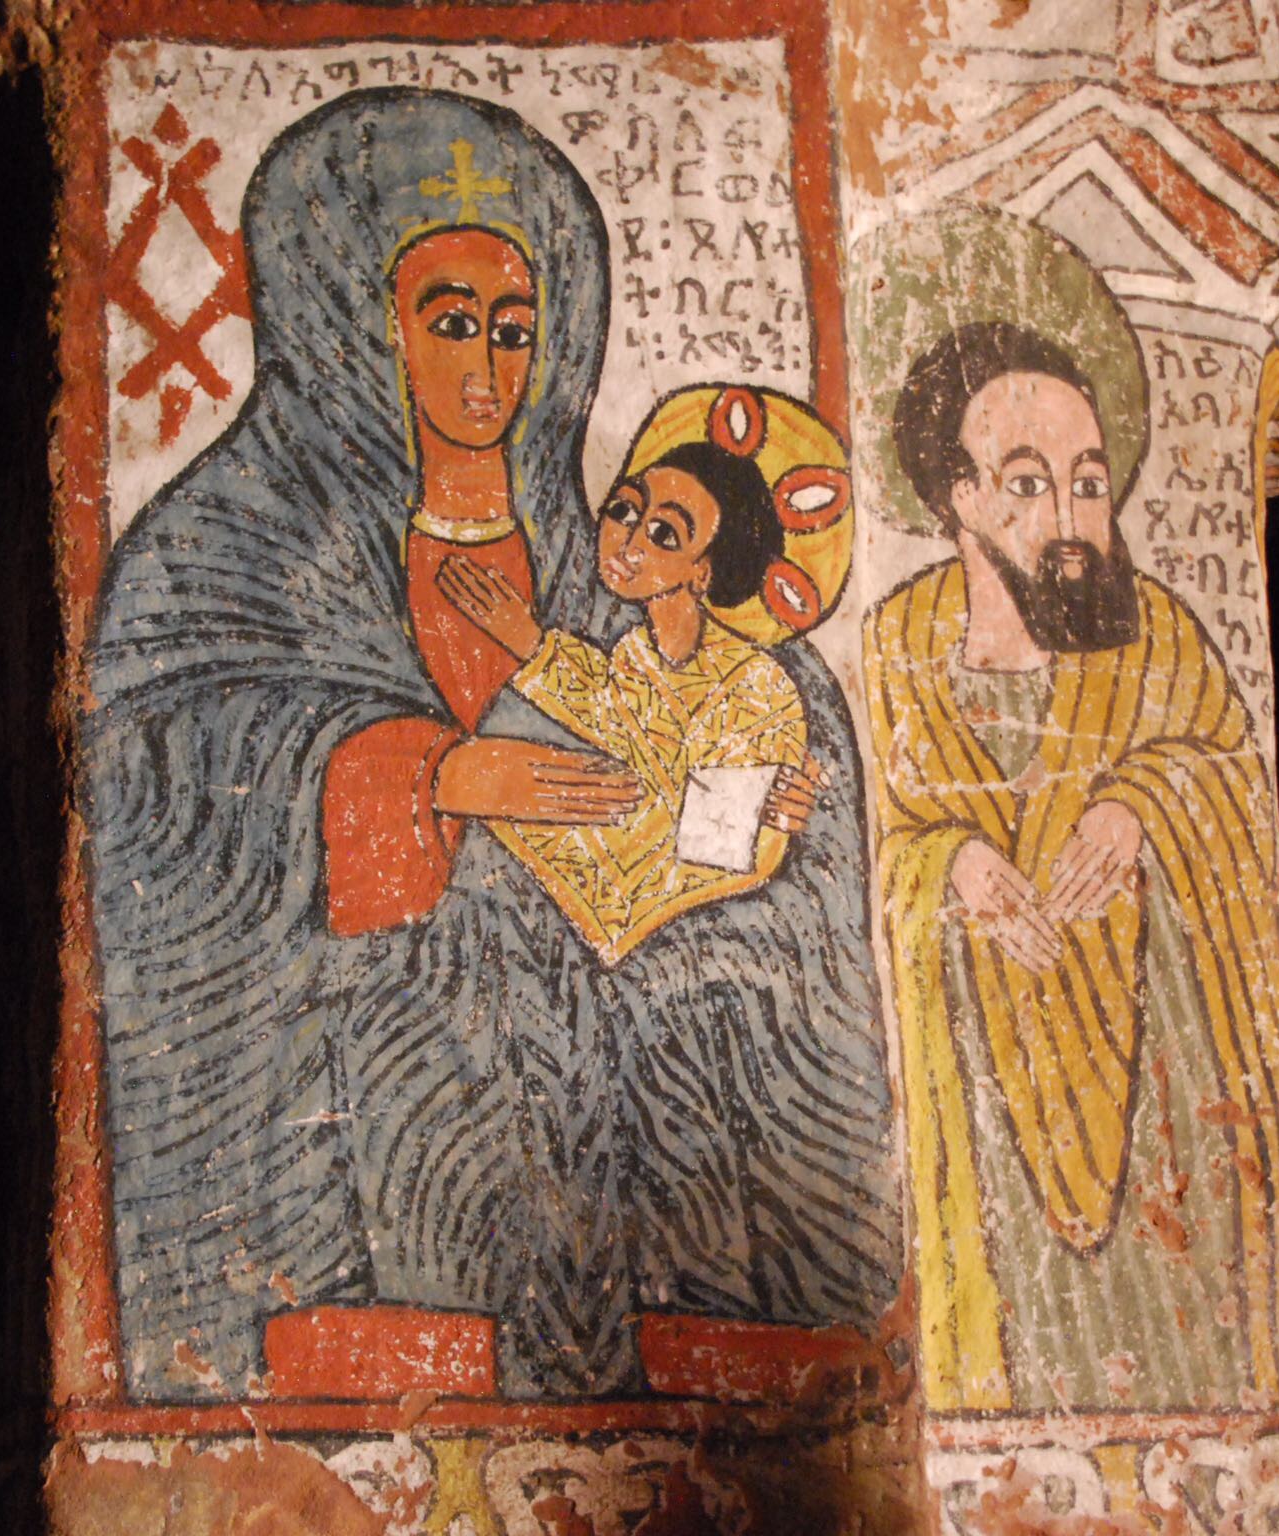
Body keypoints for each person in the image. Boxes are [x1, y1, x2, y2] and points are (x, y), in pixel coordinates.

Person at [85, 90, 898, 1399]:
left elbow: (724, 748)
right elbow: (151, 769)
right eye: (449, 321)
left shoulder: (613, 567)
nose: (487, 369)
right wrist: (426, 778)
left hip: (625, 1051)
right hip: (364, 1083)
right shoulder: (224, 546)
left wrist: (762, 810)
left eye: (515, 329)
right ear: (356, 320)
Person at [866, 319, 1279, 1412]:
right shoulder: (892, 655)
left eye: (1089, 483)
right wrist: (948, 865)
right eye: (1028, 483)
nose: (1070, 519)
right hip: (975, 1107)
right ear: (960, 499)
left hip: (1164, 1108)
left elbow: (1239, 799)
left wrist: (1144, 802)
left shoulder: (1159, 642)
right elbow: (844, 858)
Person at [436, 385, 846, 964]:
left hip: (693, 951)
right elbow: (609, 708)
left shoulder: (757, 688)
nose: (628, 541)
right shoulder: (635, 653)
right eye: (626, 510)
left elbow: (712, 849)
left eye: (664, 534)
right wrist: (527, 644)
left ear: (702, 573)